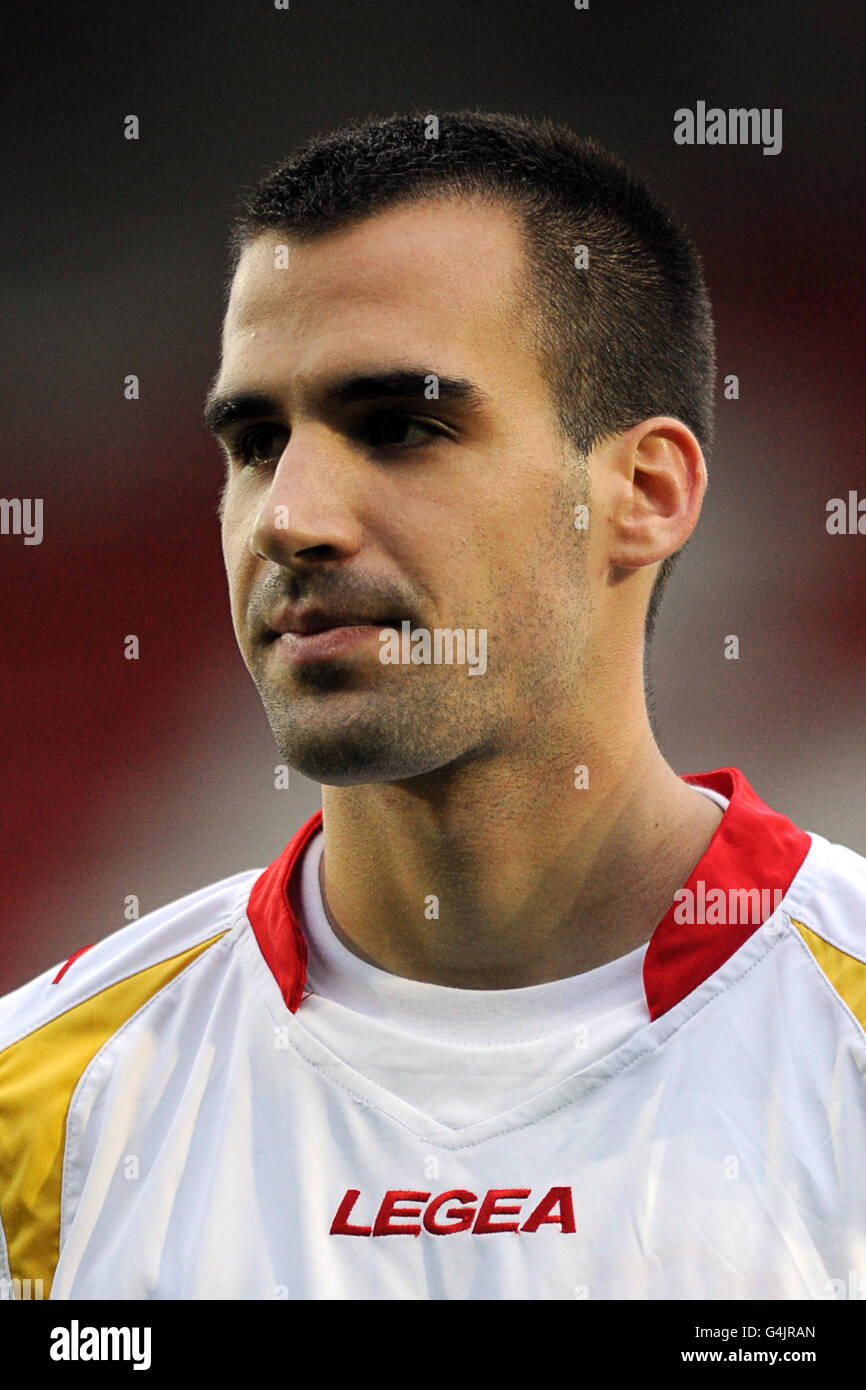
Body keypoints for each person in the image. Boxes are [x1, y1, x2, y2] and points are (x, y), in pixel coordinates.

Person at [1, 111, 863, 1301]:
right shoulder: (40, 1108)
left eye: (399, 425)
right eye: (254, 441)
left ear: (643, 492)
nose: (286, 518)